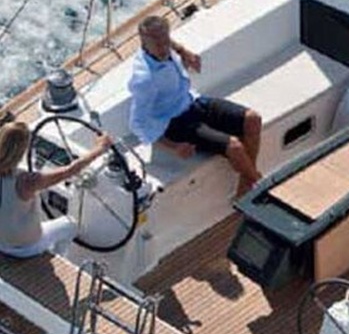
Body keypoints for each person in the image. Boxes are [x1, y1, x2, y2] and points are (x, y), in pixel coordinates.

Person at [128, 15, 262, 197]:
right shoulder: (144, 79)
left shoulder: (163, 47)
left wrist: (183, 51)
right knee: (235, 147)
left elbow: (168, 42)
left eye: (166, 41)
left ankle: (245, 187)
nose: (164, 48)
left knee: (253, 119)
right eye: (158, 44)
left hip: (193, 102)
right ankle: (259, 186)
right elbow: (138, 124)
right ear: (144, 43)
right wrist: (173, 147)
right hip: (176, 123)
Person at [0, 121, 112, 258]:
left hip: (2, 243)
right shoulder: (27, 181)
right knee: (71, 225)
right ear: (23, 149)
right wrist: (100, 148)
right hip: (25, 248)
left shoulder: (26, 179)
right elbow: (69, 171)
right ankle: (57, 255)